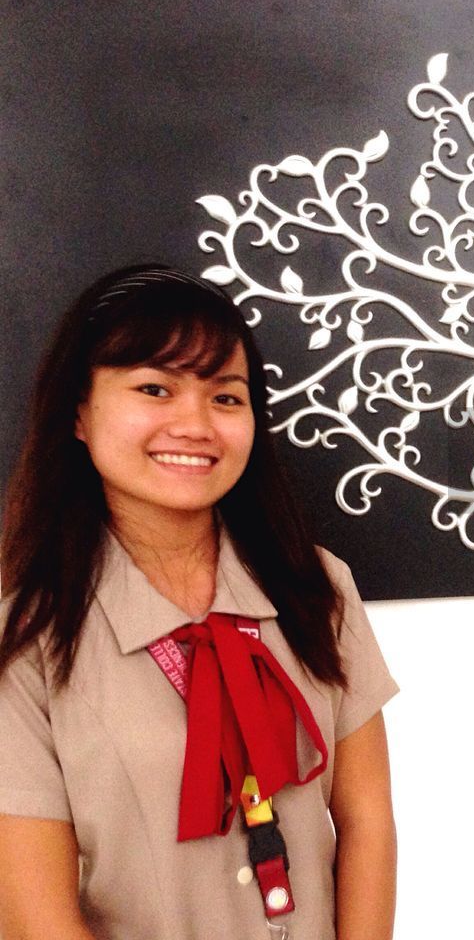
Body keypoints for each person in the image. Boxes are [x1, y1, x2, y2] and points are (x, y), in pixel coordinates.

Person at [0, 265, 398, 940]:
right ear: (79, 411)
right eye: (155, 388)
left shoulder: (318, 587)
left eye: (226, 398)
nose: (195, 424)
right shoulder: (26, 632)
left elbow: (367, 820)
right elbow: (31, 908)